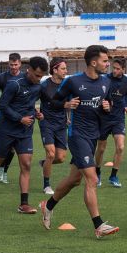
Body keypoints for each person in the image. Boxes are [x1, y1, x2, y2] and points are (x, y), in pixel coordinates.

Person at [39, 45, 120, 238]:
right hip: (77, 136)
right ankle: (99, 225)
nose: (107, 63)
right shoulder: (73, 82)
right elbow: (53, 102)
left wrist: (108, 106)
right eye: (104, 60)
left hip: (93, 136)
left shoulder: (106, 83)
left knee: (74, 180)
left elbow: (106, 105)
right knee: (91, 179)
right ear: (93, 62)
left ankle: (47, 205)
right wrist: (65, 104)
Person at [0, 56, 48, 214]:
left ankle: (23, 204)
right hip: (7, 130)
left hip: (25, 132)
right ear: (29, 70)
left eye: (41, 76)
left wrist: (37, 114)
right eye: (37, 75)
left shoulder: (38, 87)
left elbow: (29, 104)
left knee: (25, 165)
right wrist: (20, 118)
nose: (39, 79)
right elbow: (3, 106)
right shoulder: (14, 85)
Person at [38, 58, 80, 194]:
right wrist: (36, 113)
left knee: (60, 158)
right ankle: (46, 185)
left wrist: (68, 117)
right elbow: (51, 102)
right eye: (63, 69)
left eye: (66, 69)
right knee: (51, 154)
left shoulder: (67, 84)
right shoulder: (45, 85)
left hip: (61, 124)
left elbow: (69, 103)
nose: (65, 71)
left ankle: (44, 163)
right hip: (47, 123)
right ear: (54, 70)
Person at [94, 58, 127, 188]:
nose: (114, 70)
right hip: (104, 118)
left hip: (118, 118)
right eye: (113, 68)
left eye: (117, 68)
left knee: (120, 147)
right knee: (101, 148)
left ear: (123, 69)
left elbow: (126, 95)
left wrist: (126, 105)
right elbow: (97, 96)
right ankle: (97, 173)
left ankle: (113, 176)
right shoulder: (104, 79)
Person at [0, 53, 25, 184]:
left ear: (20, 63)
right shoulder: (2, 77)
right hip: (5, 116)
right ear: (8, 64)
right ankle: (0, 167)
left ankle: (4, 170)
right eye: (11, 65)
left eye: (16, 64)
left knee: (15, 148)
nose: (13, 67)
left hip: (20, 116)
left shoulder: (24, 77)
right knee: (6, 147)